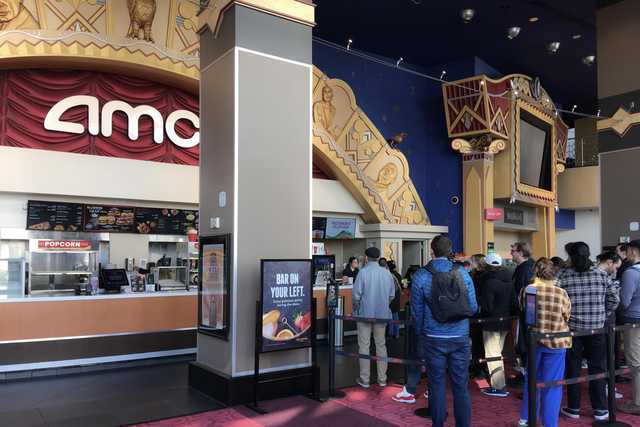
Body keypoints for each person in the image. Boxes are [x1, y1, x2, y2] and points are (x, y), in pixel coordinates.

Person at [412, 235, 478, 427]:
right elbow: (472, 308)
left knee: (436, 384)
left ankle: (438, 424)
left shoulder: (421, 275)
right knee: (460, 386)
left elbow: (417, 313)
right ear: (451, 251)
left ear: (432, 251)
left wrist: (420, 335)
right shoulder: (462, 273)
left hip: (433, 337)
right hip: (460, 337)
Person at [558, 242, 619, 422]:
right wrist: (603, 313)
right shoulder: (601, 275)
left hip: (573, 330)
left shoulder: (563, 275)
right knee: (597, 369)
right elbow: (614, 300)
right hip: (597, 329)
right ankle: (600, 410)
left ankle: (574, 408)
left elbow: (558, 302)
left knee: (573, 369)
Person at [518, 258, 572, 427]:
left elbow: (525, 312)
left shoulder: (529, 290)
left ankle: (526, 419)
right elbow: (567, 315)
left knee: (531, 381)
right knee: (553, 386)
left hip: (535, 342)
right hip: (557, 343)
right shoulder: (561, 293)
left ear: (536, 272)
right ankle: (550, 423)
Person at [352, 247, 396, 388]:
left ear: (366, 258)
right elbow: (391, 295)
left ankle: (365, 379)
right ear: (378, 258)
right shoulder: (386, 273)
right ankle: (382, 379)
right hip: (382, 315)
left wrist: (356, 308)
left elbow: (356, 296)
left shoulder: (363, 273)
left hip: (365, 314)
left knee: (364, 346)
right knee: (381, 345)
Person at [476, 253, 517, 397]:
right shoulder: (509, 280)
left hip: (491, 323)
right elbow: (514, 304)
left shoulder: (488, 282)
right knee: (498, 353)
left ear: (487, 265)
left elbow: (487, 306)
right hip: (505, 322)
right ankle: (499, 383)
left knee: (493, 354)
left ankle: (498, 387)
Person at [618, 240, 640, 415]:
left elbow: (624, 301)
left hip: (634, 320)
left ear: (633, 251)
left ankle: (638, 403)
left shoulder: (631, 273)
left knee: (635, 363)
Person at [512, 242, 536, 370]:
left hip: (526, 313)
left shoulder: (526, 269)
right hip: (526, 313)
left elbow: (528, 294)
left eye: (513, 251)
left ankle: (527, 376)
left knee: (525, 345)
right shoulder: (525, 267)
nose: (511, 253)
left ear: (521, 253)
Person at [380, 258, 401, 339]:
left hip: (391, 296)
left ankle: (390, 333)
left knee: (391, 314)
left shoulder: (387, 275)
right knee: (395, 314)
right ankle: (396, 333)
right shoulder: (397, 275)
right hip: (397, 296)